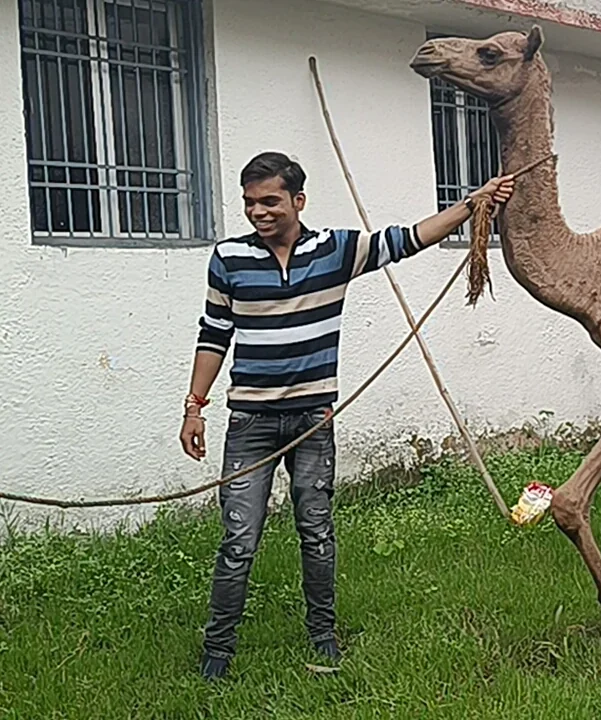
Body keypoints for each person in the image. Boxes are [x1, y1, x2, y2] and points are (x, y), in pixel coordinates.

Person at [179, 151, 514, 681]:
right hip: (250, 425)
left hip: (313, 423)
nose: (258, 212)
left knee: (316, 531)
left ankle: (322, 635)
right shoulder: (228, 259)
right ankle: (217, 651)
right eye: (249, 203)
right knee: (238, 540)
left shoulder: (335, 250)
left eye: (270, 201)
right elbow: (214, 333)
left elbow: (405, 240)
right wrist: (193, 407)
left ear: (298, 201)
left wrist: (472, 205)